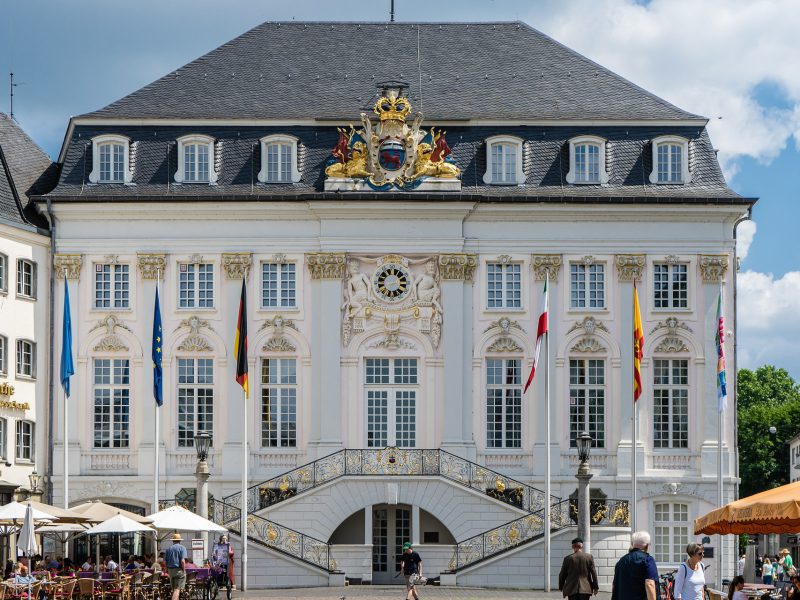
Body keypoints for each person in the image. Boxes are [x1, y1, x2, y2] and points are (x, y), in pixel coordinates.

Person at [610, 531, 659, 600]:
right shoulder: (648, 560)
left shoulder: (621, 561)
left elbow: (614, 586)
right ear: (647, 545)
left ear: (633, 544)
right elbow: (649, 584)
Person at [164, 532, 188, 600]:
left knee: (174, 589)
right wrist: (184, 570)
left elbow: (165, 562)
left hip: (170, 571)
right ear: (180, 540)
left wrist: (166, 571)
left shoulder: (168, 549)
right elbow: (183, 561)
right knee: (177, 589)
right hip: (179, 570)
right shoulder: (182, 548)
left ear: (173, 540)